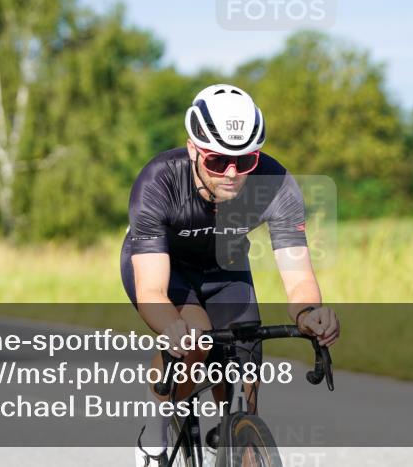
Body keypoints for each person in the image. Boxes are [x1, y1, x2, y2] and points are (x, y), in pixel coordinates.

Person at [121, 84, 339, 465]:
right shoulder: (159, 180)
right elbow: (152, 289)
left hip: (226, 269)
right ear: (193, 149)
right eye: (218, 162)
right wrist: (172, 325)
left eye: (246, 160)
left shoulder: (276, 184)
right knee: (197, 340)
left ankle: (232, 440)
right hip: (166, 268)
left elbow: (299, 278)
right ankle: (156, 430)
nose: (233, 173)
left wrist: (309, 314)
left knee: (244, 384)